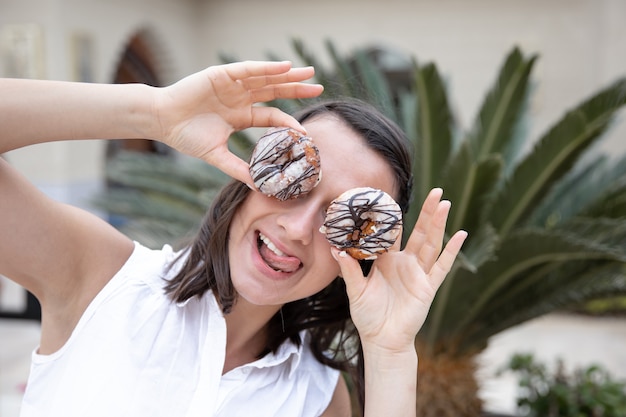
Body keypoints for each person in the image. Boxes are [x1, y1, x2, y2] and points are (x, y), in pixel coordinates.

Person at [0, 61, 467, 417]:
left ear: (360, 254)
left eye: (343, 218)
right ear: (250, 177)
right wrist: (154, 113)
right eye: (292, 175)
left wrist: (389, 355)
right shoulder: (101, 278)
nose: (298, 228)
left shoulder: (317, 396)